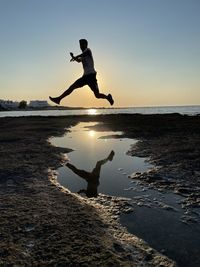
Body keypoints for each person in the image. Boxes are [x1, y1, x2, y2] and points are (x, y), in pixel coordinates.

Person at [49, 39, 114, 105]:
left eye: (82, 44)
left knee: (97, 95)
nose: (81, 46)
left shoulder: (88, 50)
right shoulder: (83, 55)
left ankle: (108, 97)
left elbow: (83, 54)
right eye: (80, 45)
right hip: (85, 77)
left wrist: (76, 56)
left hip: (91, 77)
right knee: (72, 87)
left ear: (86, 45)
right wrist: (73, 57)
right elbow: (78, 60)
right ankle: (58, 99)